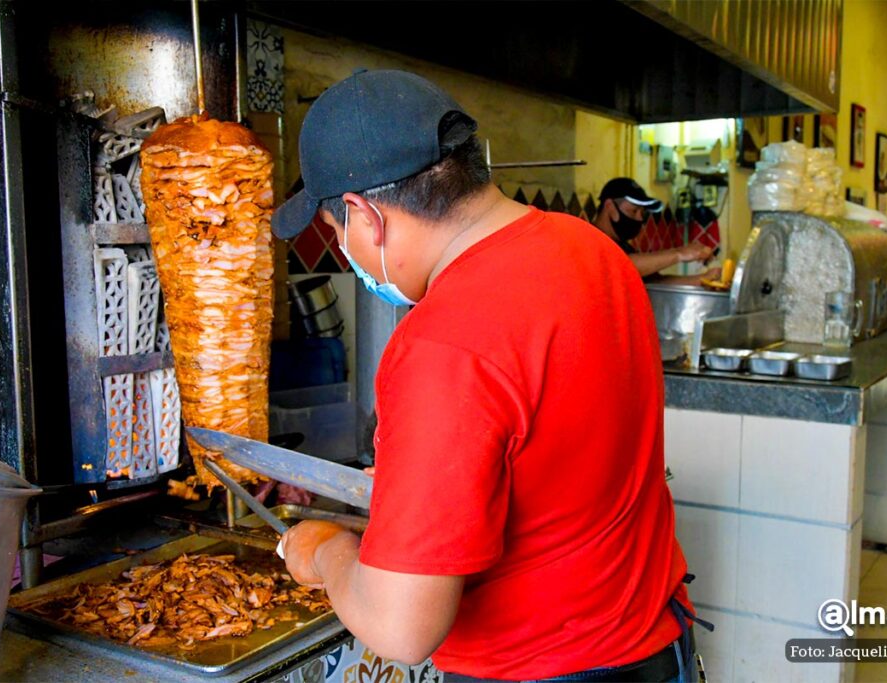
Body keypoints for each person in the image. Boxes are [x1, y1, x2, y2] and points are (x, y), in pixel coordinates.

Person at [271, 69, 707, 682]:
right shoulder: (594, 252)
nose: (347, 249)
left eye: (336, 232)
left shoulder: (444, 341)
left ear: (364, 215)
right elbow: (556, 453)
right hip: (657, 648)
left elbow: (402, 628)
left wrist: (323, 550)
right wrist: (420, 482)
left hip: (545, 668)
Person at [594, 177, 719, 283]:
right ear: (610, 207)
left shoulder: (624, 247)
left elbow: (655, 282)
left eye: (642, 213)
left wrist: (703, 279)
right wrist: (679, 253)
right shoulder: (590, 240)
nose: (640, 218)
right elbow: (621, 266)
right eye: (634, 211)